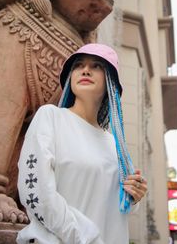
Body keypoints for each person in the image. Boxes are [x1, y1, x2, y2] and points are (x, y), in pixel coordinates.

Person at [17, 43, 147, 244]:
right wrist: (85, 238)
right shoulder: (50, 118)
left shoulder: (114, 144)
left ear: (111, 82)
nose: (85, 70)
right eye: (78, 65)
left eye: (96, 66)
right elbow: (36, 193)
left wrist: (133, 196)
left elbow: (112, 207)